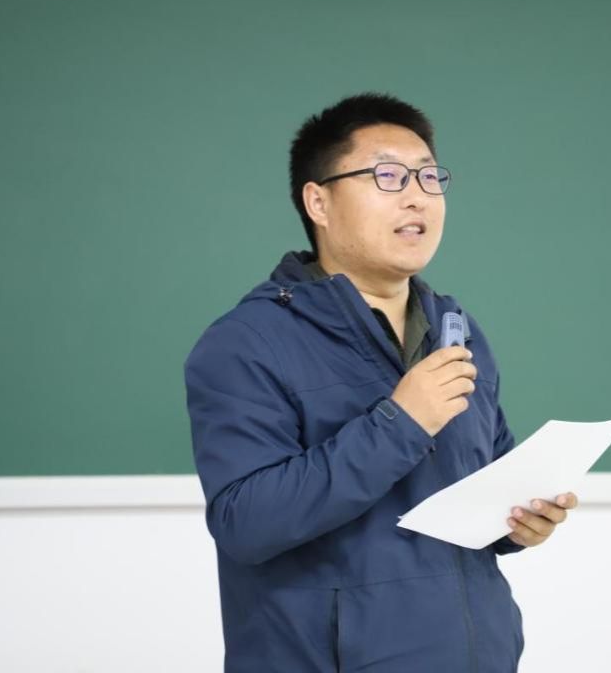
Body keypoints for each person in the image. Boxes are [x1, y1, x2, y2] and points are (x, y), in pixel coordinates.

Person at [183, 92, 579, 672]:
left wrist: (517, 525)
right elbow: (246, 524)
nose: (417, 195)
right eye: (387, 176)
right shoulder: (246, 342)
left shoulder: (457, 331)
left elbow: (479, 488)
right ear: (318, 201)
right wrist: (402, 422)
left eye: (429, 177)